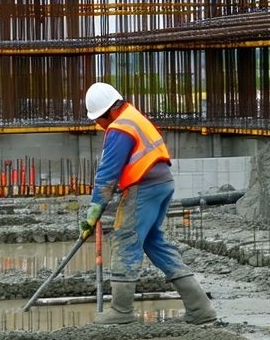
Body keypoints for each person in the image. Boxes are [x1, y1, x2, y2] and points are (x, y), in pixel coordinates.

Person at [80, 81, 218, 326]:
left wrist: (93, 212)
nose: (99, 125)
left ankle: (121, 311)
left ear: (110, 111)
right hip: (162, 183)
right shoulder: (134, 117)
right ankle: (200, 307)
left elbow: (107, 175)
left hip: (144, 186)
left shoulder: (120, 127)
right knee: (155, 243)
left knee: (124, 238)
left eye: (99, 119)